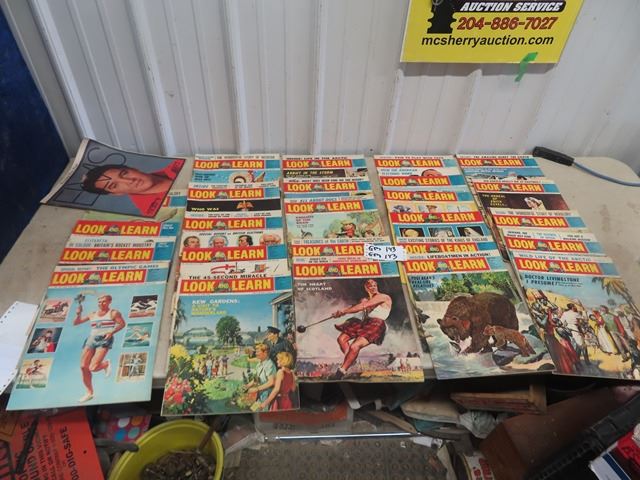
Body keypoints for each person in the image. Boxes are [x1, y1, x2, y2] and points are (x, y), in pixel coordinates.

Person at [330, 279, 392, 380]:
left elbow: (363, 306)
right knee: (341, 339)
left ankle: (341, 372)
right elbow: (356, 307)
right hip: (365, 323)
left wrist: (344, 312)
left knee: (354, 346)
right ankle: (351, 359)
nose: (373, 287)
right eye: (370, 286)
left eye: (374, 285)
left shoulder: (383, 297)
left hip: (376, 323)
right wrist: (339, 312)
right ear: (366, 288)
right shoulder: (365, 299)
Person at [81, 160, 182, 216]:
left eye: (124, 173)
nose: (129, 181)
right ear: (116, 194)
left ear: (133, 169)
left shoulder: (178, 164)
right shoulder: (154, 213)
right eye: (114, 185)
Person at [74, 294, 125, 402]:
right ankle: (89, 393)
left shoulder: (113, 313)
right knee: (83, 367)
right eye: (99, 302)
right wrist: (78, 314)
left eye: (104, 301)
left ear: (109, 302)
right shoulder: (93, 314)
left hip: (104, 339)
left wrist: (111, 332)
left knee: (93, 367)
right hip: (91, 339)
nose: (101, 303)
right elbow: (76, 322)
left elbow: (122, 324)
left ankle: (105, 364)